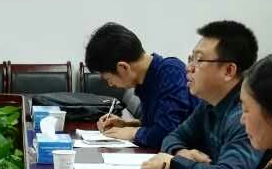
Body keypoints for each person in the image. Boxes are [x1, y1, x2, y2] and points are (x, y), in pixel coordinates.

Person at [141, 20, 263, 169]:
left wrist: (174, 163)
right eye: (191, 59)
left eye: (199, 60)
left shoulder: (244, 115)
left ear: (229, 71)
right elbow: (172, 137)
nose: (189, 68)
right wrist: (180, 153)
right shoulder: (209, 103)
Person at [83, 22, 195, 150]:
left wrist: (133, 133)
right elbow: (155, 123)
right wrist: (126, 124)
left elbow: (167, 133)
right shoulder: (145, 80)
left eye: (108, 79)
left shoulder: (171, 72)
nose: (110, 84)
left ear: (123, 67)